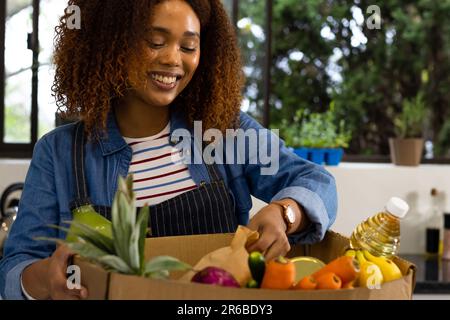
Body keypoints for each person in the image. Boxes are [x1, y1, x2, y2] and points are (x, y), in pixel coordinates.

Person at [0, 0, 337, 300]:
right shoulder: (59, 153)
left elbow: (314, 179)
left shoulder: (225, 132)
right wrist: (44, 279)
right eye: (155, 42)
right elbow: (14, 268)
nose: (173, 59)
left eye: (188, 46)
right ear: (110, 43)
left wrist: (285, 213)